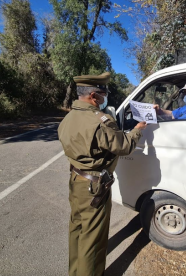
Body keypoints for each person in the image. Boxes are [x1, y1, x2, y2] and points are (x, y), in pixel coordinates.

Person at [57, 72, 147, 276]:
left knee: (77, 230)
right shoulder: (100, 121)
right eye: (103, 93)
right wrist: (139, 128)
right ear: (93, 96)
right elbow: (123, 146)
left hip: (76, 181)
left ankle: (75, 272)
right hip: (94, 187)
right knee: (93, 239)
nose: (104, 97)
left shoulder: (69, 117)